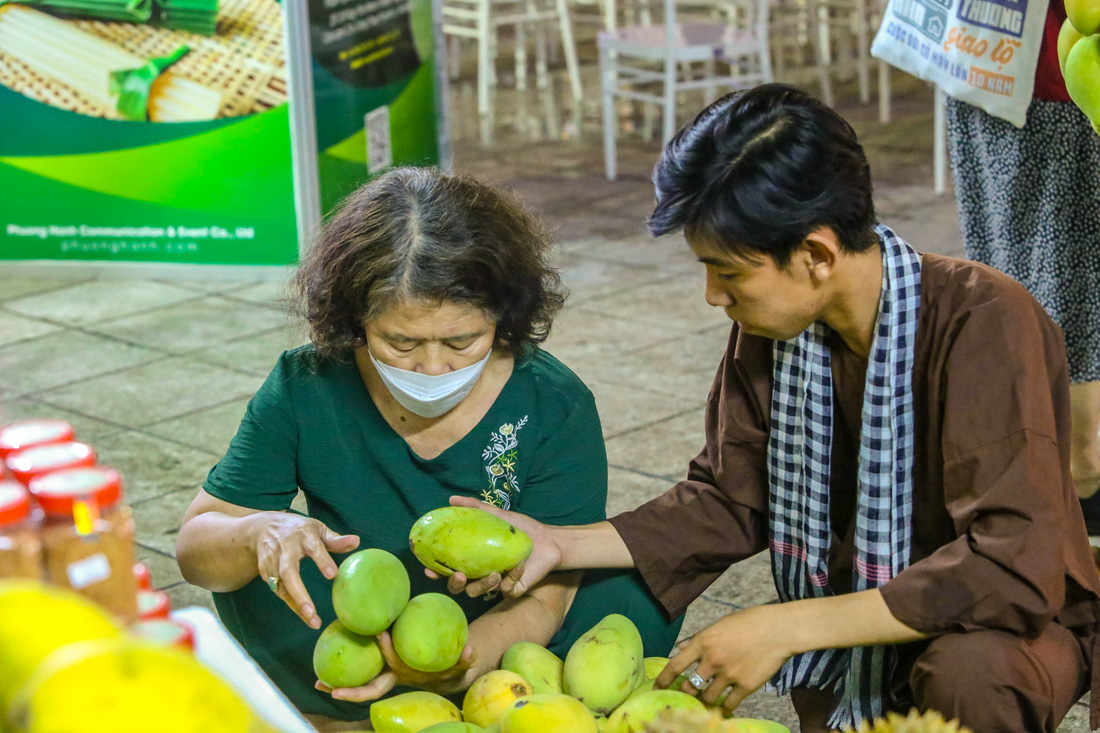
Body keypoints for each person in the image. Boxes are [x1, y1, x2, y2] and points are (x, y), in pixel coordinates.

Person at [447, 85, 1100, 733]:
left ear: (816, 255)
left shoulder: (985, 320)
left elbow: (1011, 565)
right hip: (853, 627)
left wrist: (786, 625)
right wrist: (558, 544)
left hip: (999, 624)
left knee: (973, 674)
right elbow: (728, 498)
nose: (712, 295)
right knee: (606, 585)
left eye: (728, 272)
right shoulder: (775, 333)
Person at [174, 168, 682, 731]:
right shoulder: (307, 383)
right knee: (254, 563)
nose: (433, 367)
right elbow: (197, 550)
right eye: (402, 342)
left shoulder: (554, 403)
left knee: (630, 586)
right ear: (355, 322)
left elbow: (550, 595)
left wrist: (451, 670)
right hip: (361, 618)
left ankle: (472, 704)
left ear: (504, 319)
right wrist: (256, 532)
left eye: (463, 341)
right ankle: (342, 712)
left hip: (503, 623)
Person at [944, 0, 1100, 530]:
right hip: (1021, 73)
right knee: (1048, 284)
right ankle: (1072, 476)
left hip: (1001, 66)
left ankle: (1067, 475)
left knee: (1043, 282)